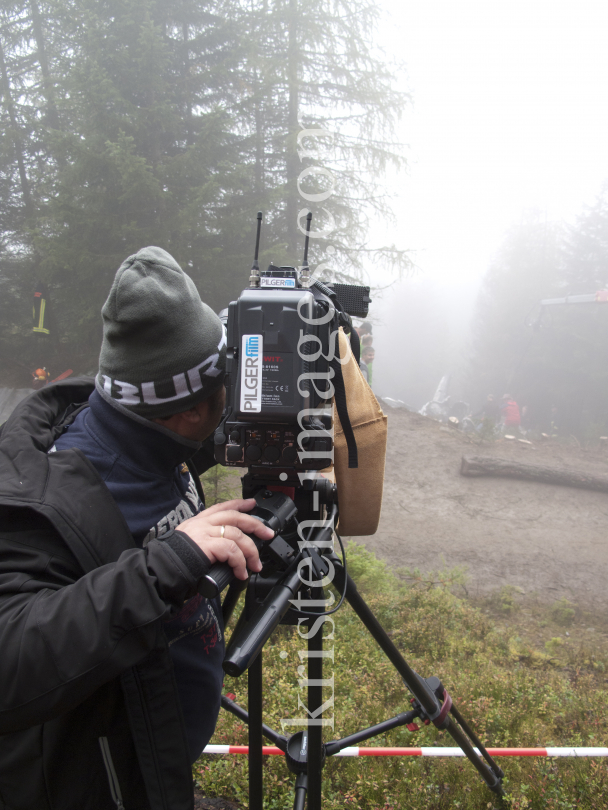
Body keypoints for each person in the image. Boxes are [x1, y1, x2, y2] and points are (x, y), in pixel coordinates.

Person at [0, 247, 274, 810]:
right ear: (188, 413)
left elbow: (160, 465)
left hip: (155, 755)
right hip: (105, 786)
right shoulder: (47, 501)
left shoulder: (144, 432)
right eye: (225, 381)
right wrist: (169, 560)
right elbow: (10, 660)